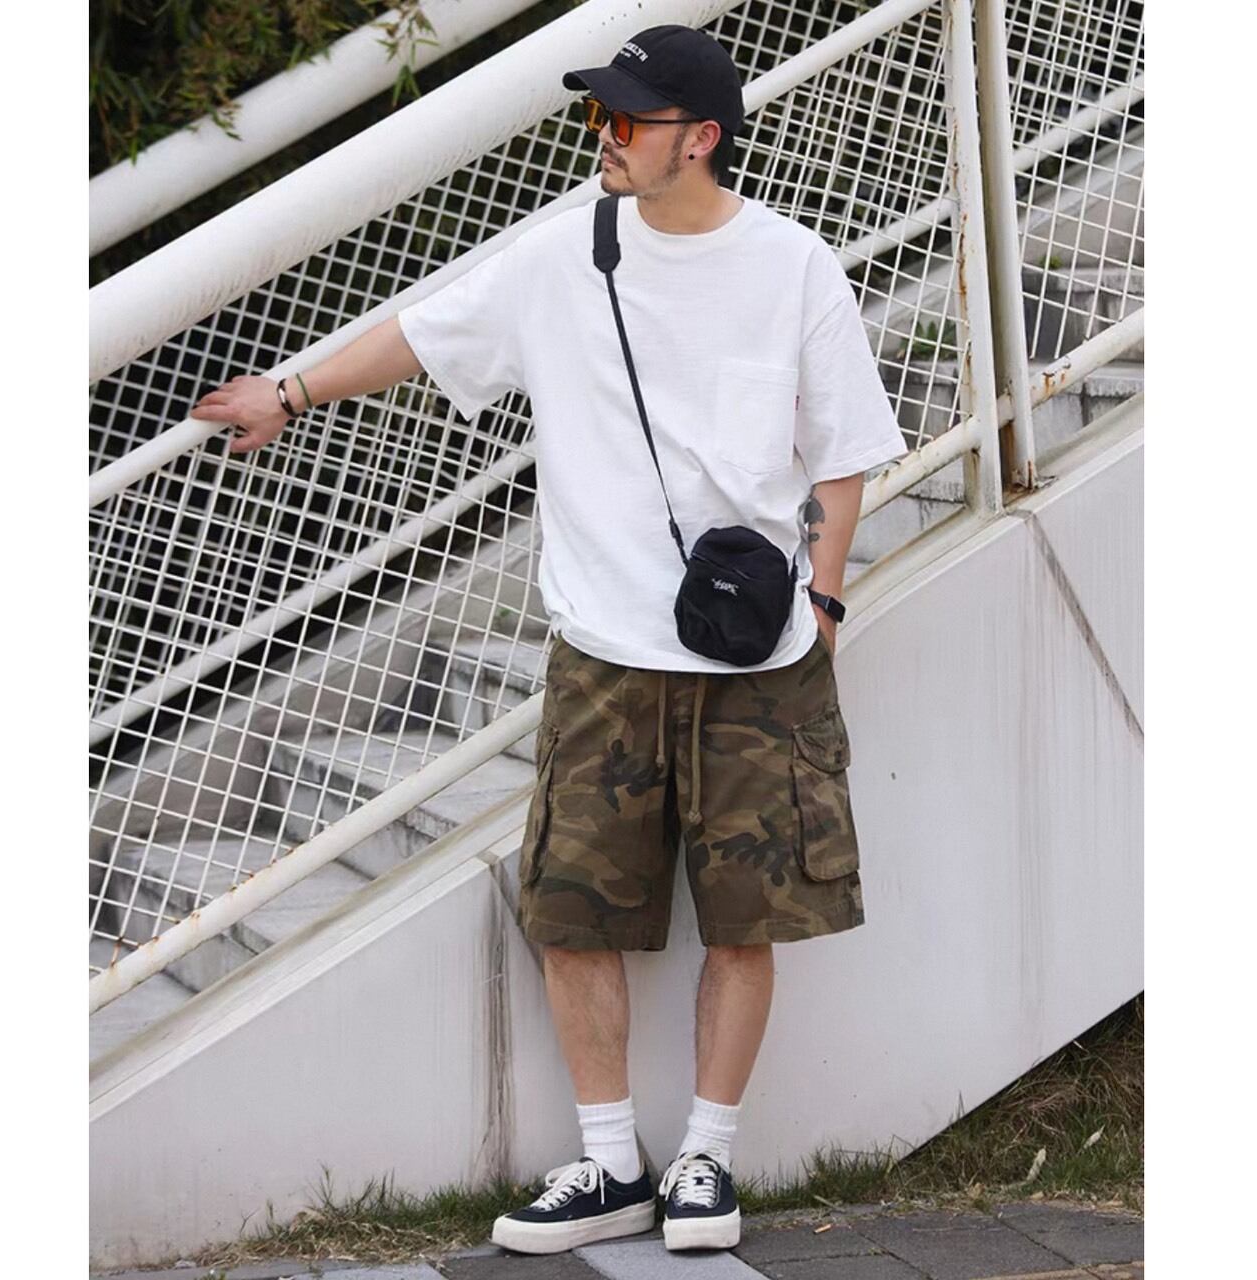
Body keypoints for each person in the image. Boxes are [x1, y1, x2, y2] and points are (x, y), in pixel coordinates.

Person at [190, 21, 907, 1259]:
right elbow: (422, 334)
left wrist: (827, 602)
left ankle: (706, 1158)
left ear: (701, 137)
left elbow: (841, 452)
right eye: (598, 115)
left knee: (744, 916)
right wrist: (290, 392)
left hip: (755, 655)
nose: (603, 137)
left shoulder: (791, 265)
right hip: (602, 649)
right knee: (572, 911)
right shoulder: (560, 255)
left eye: (626, 120)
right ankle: (609, 1160)